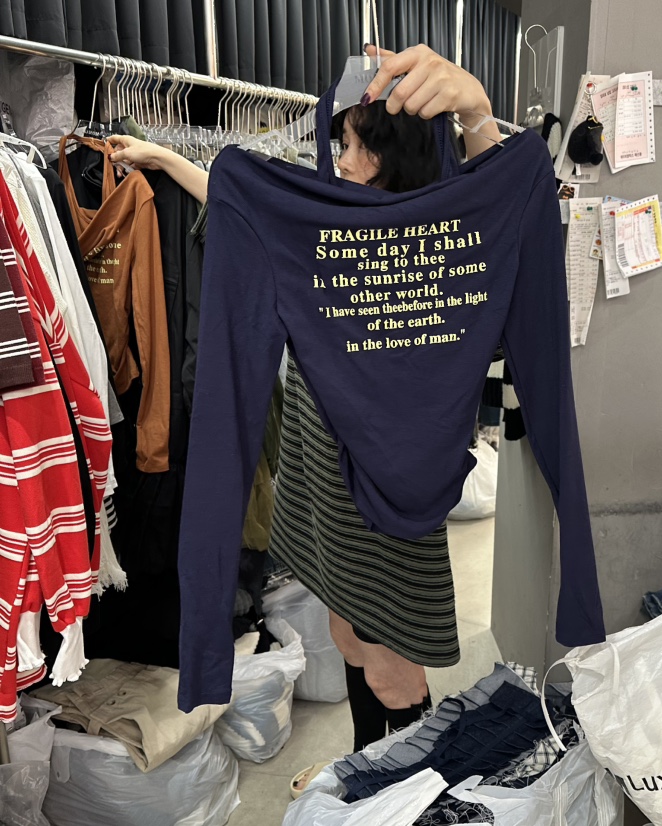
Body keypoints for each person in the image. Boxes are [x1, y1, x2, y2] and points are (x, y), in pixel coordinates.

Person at [108, 43, 502, 777]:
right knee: (347, 630)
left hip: (386, 481)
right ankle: (365, 768)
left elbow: (502, 202)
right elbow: (244, 203)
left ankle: (408, 788)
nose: (341, 160)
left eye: (354, 147)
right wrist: (162, 158)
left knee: (390, 656)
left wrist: (476, 111)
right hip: (318, 467)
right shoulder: (331, 219)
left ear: (392, 154)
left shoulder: (443, 235)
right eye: (341, 143)